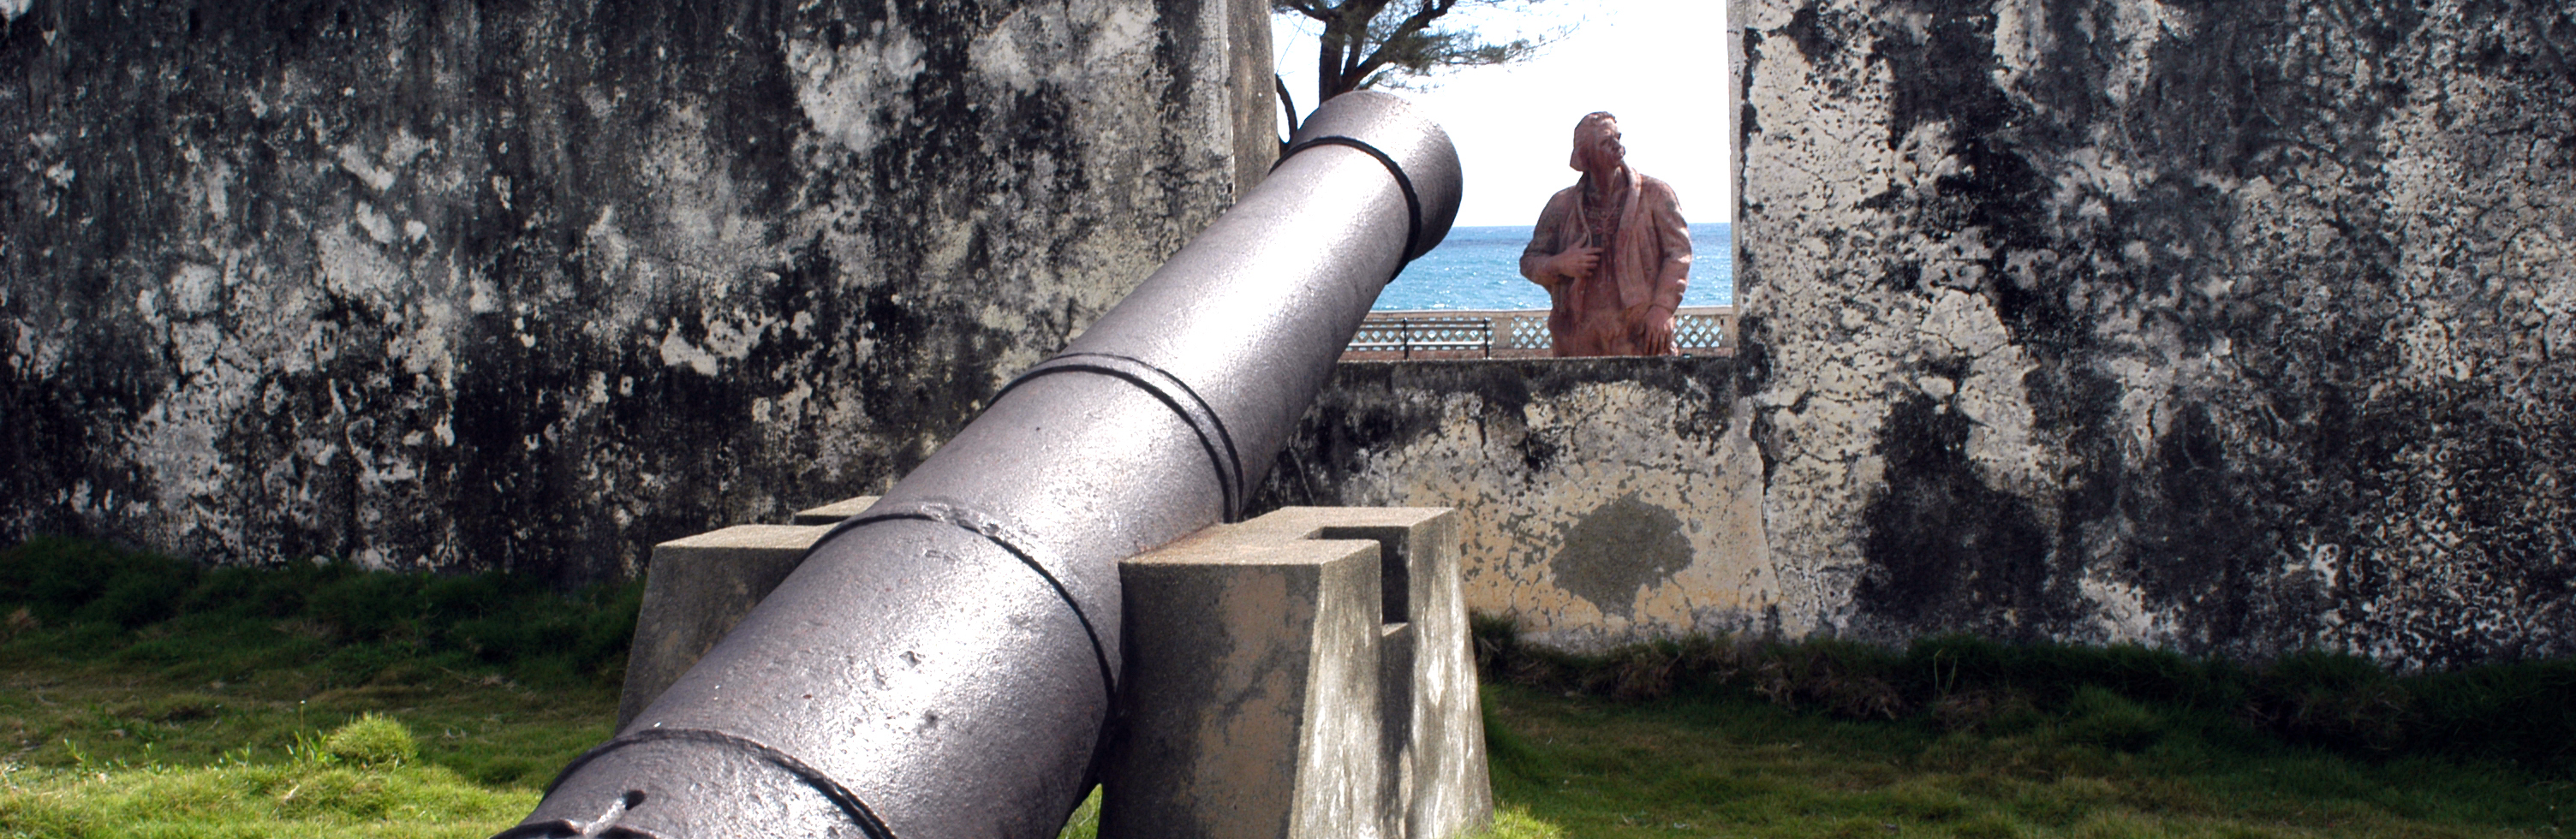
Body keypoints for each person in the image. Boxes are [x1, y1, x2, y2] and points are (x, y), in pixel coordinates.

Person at [1518, 112, 1692, 357]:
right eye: (1605, 141)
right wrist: (1560, 263)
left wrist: (1662, 309)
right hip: (1577, 340)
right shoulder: (1561, 205)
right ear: (1585, 155)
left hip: (1640, 336)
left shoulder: (1655, 194)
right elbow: (1529, 262)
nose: (1618, 146)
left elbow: (1679, 254)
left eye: (1618, 138)